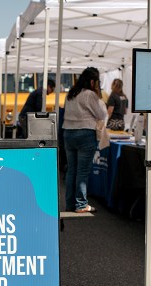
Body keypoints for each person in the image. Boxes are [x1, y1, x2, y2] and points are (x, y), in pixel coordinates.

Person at [61, 68, 107, 213]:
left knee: (71, 170)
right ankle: (81, 205)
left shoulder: (71, 93)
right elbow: (101, 114)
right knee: (82, 171)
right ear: (93, 81)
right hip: (85, 133)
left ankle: (70, 204)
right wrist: (99, 97)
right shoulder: (90, 95)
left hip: (68, 133)